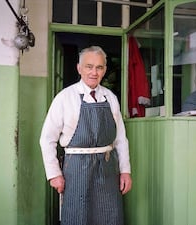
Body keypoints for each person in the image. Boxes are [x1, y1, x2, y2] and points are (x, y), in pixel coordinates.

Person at [39, 46, 132, 225]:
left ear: (104, 70)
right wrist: (54, 174)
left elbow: (120, 139)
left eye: (99, 67)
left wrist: (125, 171)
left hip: (107, 167)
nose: (94, 72)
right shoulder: (65, 97)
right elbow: (47, 139)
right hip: (76, 168)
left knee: (109, 215)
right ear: (79, 68)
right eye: (89, 66)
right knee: (77, 216)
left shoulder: (110, 97)